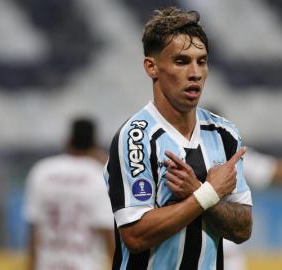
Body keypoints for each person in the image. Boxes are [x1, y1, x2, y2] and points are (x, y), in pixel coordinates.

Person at [106, 6, 252, 270]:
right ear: (152, 67)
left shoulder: (225, 135)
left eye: (202, 61)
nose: (195, 72)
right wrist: (208, 194)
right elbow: (136, 235)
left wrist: (197, 191)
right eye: (182, 61)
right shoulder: (136, 138)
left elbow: (242, 229)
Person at [23, 117, 115, 270]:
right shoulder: (99, 176)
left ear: (68, 140)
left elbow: (33, 232)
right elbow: (107, 234)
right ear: (94, 145)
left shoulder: (41, 171)